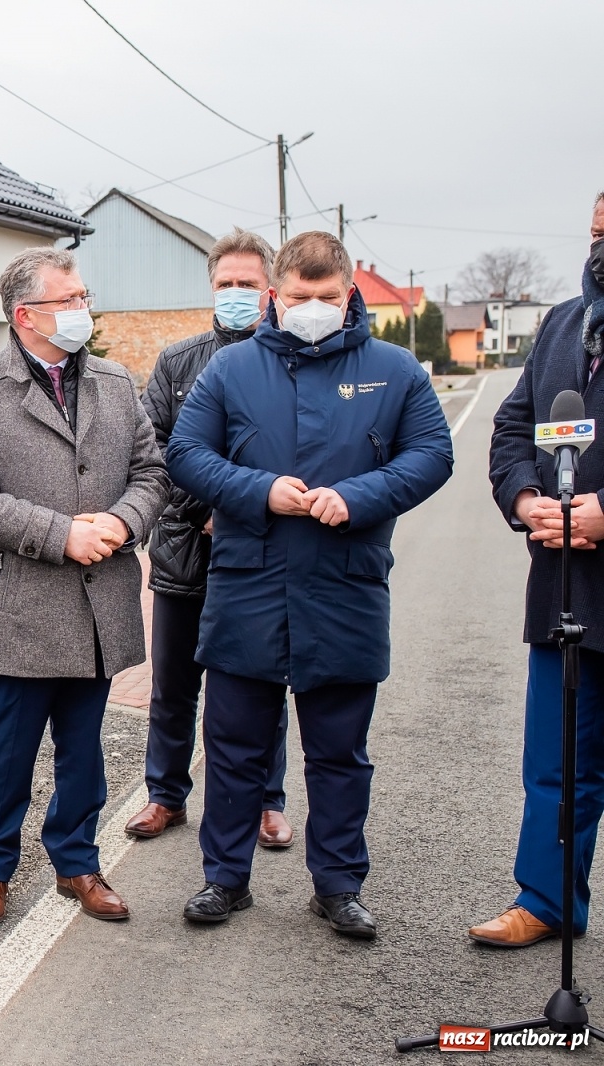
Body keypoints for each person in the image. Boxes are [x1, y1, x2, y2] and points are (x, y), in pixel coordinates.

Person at [167, 230, 453, 939]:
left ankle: (338, 884)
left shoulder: (396, 371)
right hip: (248, 586)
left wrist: (358, 495)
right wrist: (262, 490)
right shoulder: (231, 371)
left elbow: (432, 455)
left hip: (345, 586)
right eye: (300, 297)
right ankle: (224, 879)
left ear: (350, 294)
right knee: (233, 746)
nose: (313, 309)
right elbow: (186, 453)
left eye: (327, 298)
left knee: (338, 753)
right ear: (276, 295)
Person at [0, 247, 167, 927]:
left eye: (82, 296)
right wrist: (60, 532)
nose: (81, 310)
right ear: (25, 315)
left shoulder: (117, 383)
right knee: (5, 752)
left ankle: (77, 861)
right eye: (68, 300)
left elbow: (152, 473)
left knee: (84, 747)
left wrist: (122, 523)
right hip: (19, 607)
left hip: (98, 602)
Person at [128, 228, 294, 849]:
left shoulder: (288, 361)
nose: (235, 294)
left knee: (260, 683)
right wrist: (207, 510)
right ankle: (165, 795)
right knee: (173, 685)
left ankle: (266, 801)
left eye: (246, 285)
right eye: (225, 285)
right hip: (185, 548)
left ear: (270, 290)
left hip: (262, 551)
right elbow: (154, 450)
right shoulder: (177, 362)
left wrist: (248, 509)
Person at [477, 192, 604, 948]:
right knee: (557, 768)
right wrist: (526, 497)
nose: (599, 245)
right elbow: (511, 427)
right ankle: (548, 902)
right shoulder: (563, 324)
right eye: (595, 231)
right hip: (568, 593)